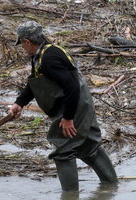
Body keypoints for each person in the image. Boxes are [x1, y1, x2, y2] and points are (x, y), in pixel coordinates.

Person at [8, 21, 117, 191]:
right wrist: (19, 103)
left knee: (63, 151)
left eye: (21, 43)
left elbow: (72, 87)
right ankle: (111, 187)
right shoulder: (43, 53)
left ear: (27, 41)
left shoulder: (49, 59)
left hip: (74, 105)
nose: (22, 47)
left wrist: (68, 118)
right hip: (80, 104)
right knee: (88, 145)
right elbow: (34, 82)